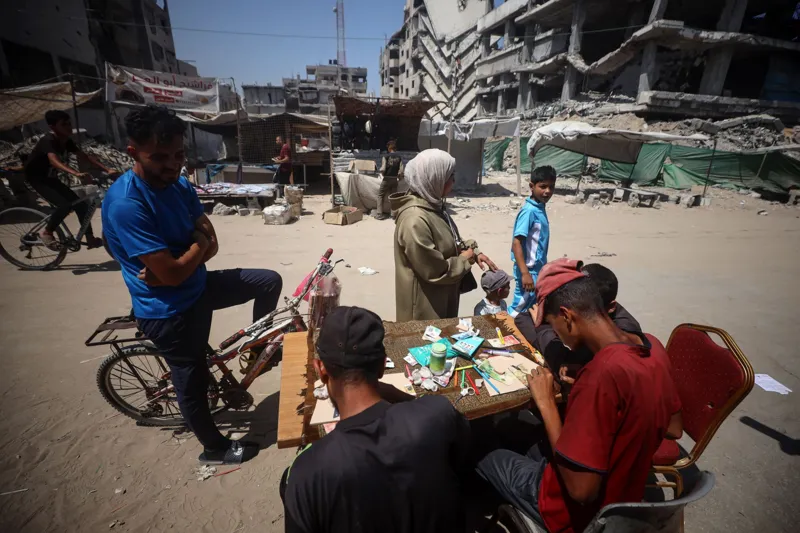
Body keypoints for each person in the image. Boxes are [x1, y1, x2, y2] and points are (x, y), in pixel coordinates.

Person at [103, 106, 283, 465]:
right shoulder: (127, 204)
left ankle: (260, 350)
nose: (173, 164)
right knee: (193, 380)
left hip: (196, 286)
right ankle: (213, 448)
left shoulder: (179, 184)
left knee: (268, 281)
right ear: (133, 153)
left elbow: (211, 243)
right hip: (167, 309)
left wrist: (186, 258)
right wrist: (193, 248)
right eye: (160, 157)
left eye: (179, 155)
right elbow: (177, 269)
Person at [477, 259, 683, 533]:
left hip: (575, 513)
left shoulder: (601, 374)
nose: (555, 333)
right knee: (518, 433)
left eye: (552, 324)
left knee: (481, 450)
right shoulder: (652, 346)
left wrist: (547, 403)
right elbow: (674, 427)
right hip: (627, 498)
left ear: (567, 317)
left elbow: (580, 490)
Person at [282, 306, 472, 533]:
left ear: (320, 370)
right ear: (383, 365)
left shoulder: (307, 473)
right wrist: (401, 397)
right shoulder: (437, 412)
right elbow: (461, 460)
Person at [391, 149, 497, 321]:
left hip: (442, 298)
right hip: (423, 309)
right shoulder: (415, 220)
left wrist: (474, 251)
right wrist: (466, 259)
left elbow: (450, 241)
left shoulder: (433, 207)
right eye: (449, 176)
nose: (453, 181)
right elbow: (435, 270)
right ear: (433, 178)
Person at [514, 263, 642, 376]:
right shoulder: (577, 305)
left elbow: (567, 362)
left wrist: (542, 328)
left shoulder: (622, 334)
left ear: (610, 307)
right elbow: (523, 318)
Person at [24, 110, 116, 247]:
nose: (69, 126)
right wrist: (75, 173)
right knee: (65, 205)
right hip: (37, 178)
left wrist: (107, 169)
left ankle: (90, 238)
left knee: (81, 204)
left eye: (69, 123)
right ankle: (47, 232)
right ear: (52, 127)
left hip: (50, 178)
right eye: (64, 124)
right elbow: (54, 161)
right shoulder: (48, 140)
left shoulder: (66, 141)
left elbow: (84, 156)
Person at [510, 166, 556, 318]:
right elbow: (517, 243)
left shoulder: (540, 208)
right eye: (543, 186)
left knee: (532, 306)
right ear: (532, 186)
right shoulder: (529, 211)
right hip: (529, 271)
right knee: (518, 309)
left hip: (538, 270)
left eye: (551, 187)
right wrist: (525, 273)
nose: (547, 191)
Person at [374, 140, 404, 220]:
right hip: (394, 179)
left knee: (380, 195)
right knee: (393, 197)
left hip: (387, 179)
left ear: (389, 148)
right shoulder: (399, 157)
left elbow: (383, 169)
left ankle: (379, 214)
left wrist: (381, 173)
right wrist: (399, 177)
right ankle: (393, 215)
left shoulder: (386, 156)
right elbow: (401, 170)